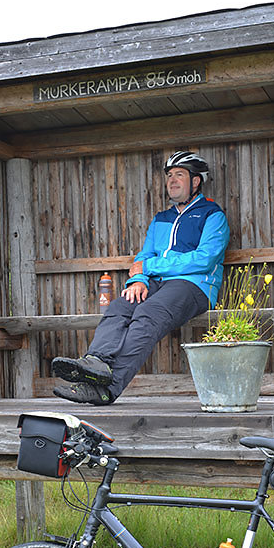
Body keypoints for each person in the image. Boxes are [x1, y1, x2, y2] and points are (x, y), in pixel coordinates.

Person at [51, 151, 230, 405]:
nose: (172, 180)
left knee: (149, 313)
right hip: (158, 283)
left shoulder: (212, 215)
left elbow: (204, 259)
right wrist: (138, 281)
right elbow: (142, 258)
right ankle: (97, 363)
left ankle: (107, 389)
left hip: (195, 285)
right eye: (169, 176)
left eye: (179, 175)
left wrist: (150, 266)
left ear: (196, 181)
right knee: (120, 306)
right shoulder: (161, 219)